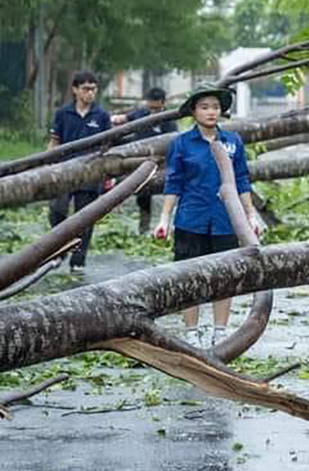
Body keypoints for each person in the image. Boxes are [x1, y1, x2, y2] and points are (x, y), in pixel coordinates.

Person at [154, 84, 265, 346]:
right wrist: (164, 218)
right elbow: (174, 183)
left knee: (224, 277)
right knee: (187, 277)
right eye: (204, 107)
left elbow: (241, 180)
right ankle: (192, 332)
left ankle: (220, 331)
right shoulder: (181, 144)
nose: (211, 112)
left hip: (226, 220)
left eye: (215, 107)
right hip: (190, 219)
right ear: (193, 112)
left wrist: (251, 215)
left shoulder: (232, 142)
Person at [48, 71, 113, 275]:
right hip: (64, 172)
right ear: (75, 90)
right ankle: (60, 249)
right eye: (85, 89)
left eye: (93, 89)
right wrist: (48, 166)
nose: (89, 93)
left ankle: (78, 260)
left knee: (85, 218)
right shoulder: (62, 114)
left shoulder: (101, 116)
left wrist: (108, 173)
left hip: (91, 174)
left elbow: (107, 147)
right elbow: (54, 142)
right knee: (57, 211)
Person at [112, 87, 178, 234]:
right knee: (143, 196)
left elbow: (174, 143)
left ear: (163, 103)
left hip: (161, 163)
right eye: (151, 107)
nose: (153, 111)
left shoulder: (169, 121)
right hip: (140, 161)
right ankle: (144, 227)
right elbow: (125, 119)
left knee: (167, 193)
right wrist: (117, 119)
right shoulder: (140, 114)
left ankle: (166, 223)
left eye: (156, 108)